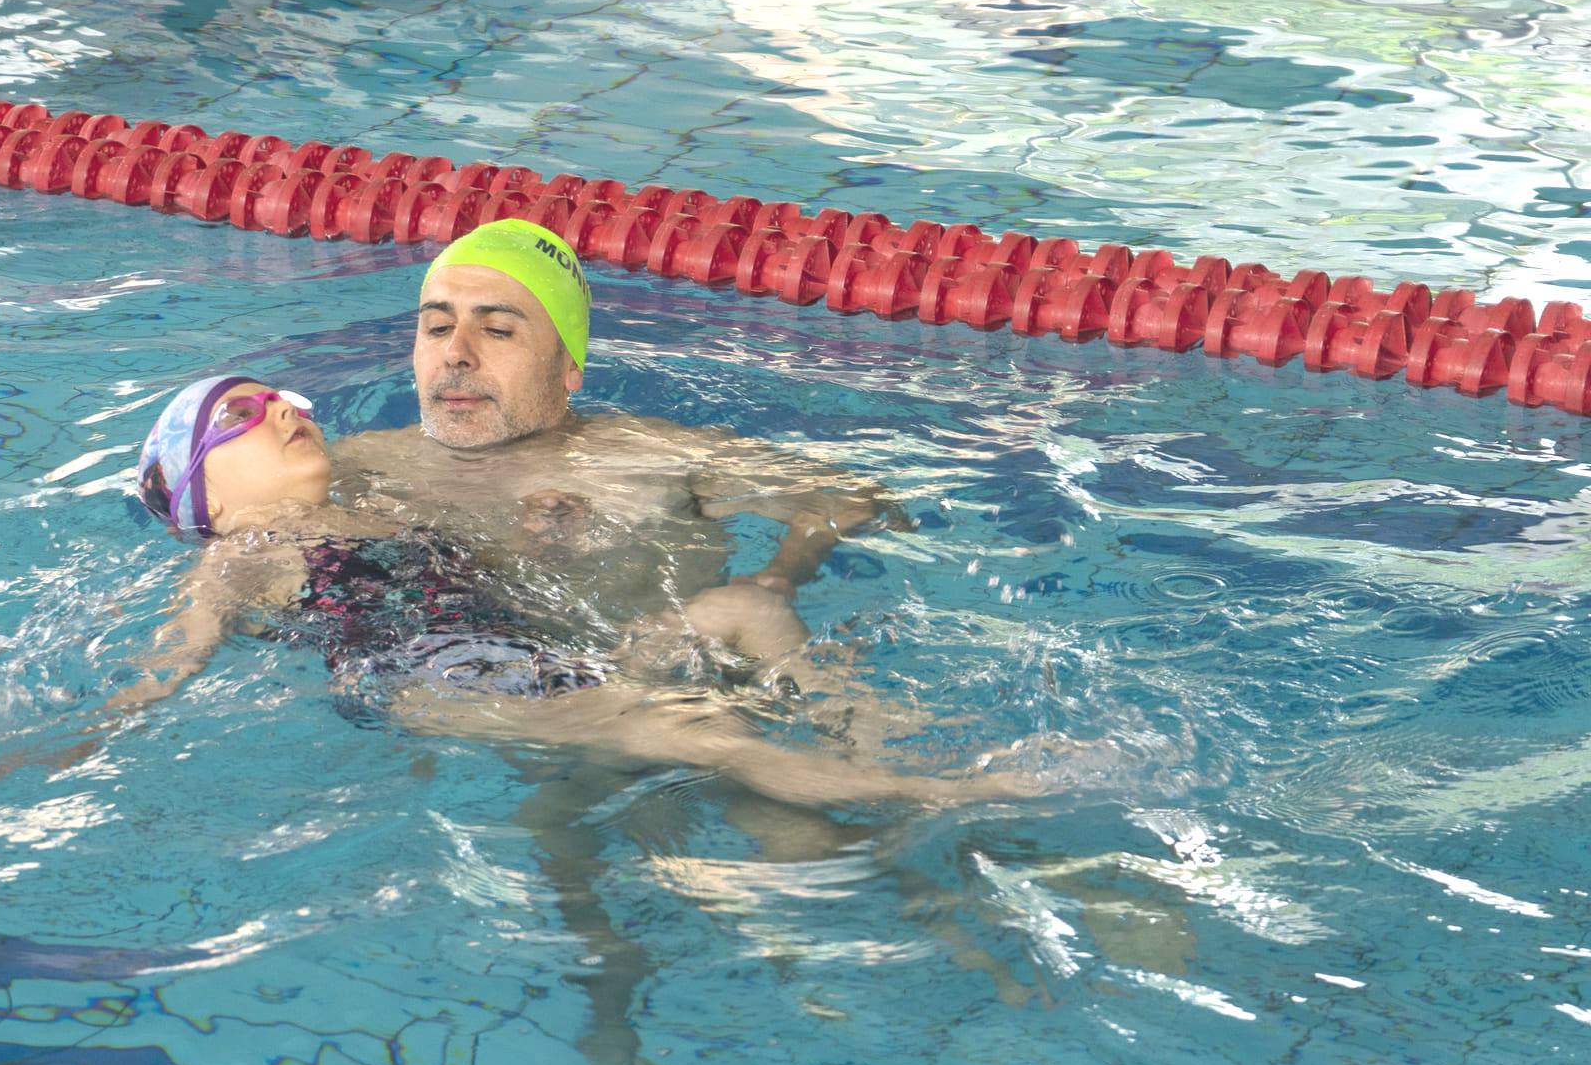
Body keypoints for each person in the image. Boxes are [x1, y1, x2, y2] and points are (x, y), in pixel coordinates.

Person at [89, 372, 1047, 811]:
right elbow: (180, 651)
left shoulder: (374, 493)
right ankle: (937, 792)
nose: (284, 410)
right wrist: (107, 726)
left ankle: (877, 730)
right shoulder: (243, 550)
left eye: (280, 397)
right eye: (242, 415)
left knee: (747, 609)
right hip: (444, 692)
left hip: (543, 660)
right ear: (203, 496)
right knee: (703, 733)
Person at [328, 219, 909, 629]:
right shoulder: (361, 464)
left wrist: (779, 578)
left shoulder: (654, 456)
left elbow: (857, 497)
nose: (456, 353)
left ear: (569, 368)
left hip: (679, 694)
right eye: (436, 328)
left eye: (498, 330)